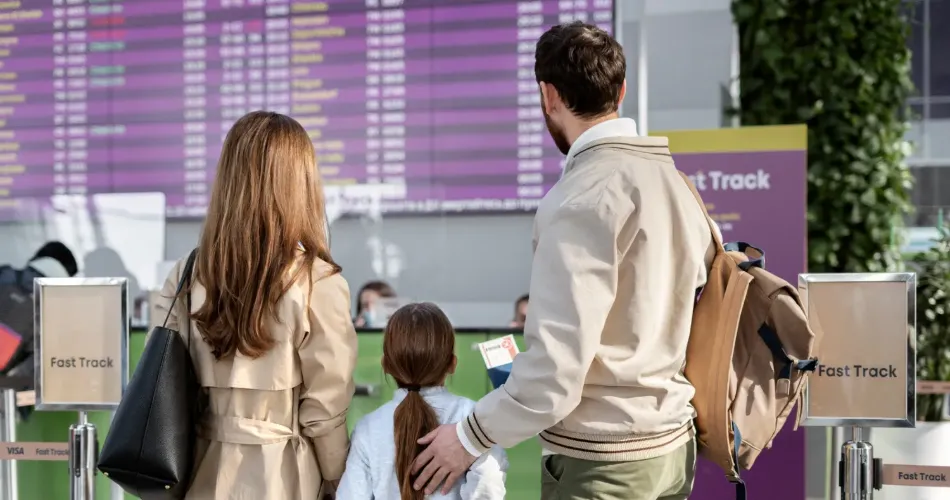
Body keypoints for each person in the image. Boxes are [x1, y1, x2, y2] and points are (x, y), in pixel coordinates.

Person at [410, 22, 715, 500]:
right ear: (622, 90)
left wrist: (468, 436)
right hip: (673, 450)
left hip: (604, 463)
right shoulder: (675, 183)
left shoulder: (580, 200)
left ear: (549, 95)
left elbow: (555, 373)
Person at [154, 111, 358, 500]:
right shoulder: (318, 281)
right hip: (283, 477)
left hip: (198, 472)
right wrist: (337, 478)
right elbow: (324, 411)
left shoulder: (188, 272)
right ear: (300, 184)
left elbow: (166, 380)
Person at [337, 302, 507, 500]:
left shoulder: (368, 427)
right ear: (452, 364)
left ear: (386, 365)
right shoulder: (473, 418)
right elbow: (489, 480)